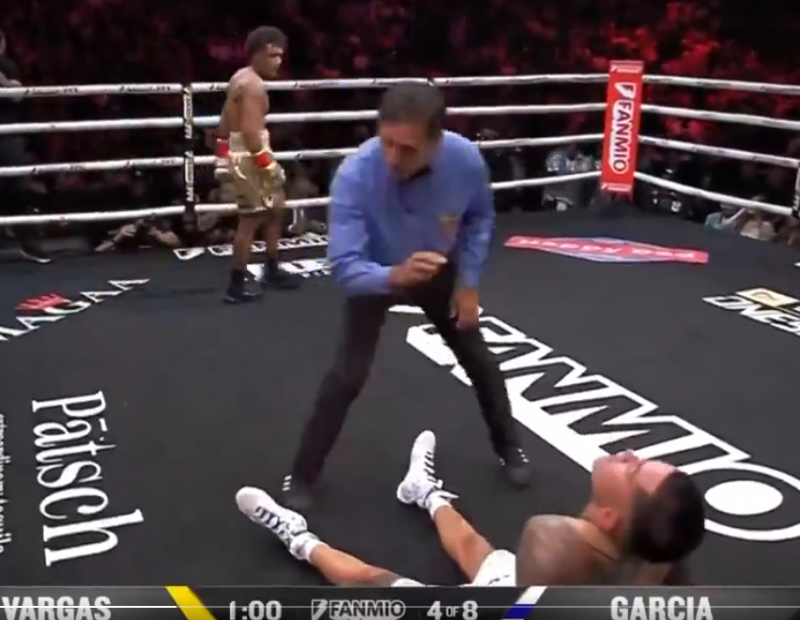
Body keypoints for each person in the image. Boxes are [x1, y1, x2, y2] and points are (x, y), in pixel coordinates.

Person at [282, 83, 530, 510]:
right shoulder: (355, 175)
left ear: (436, 141)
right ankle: (302, 473)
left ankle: (510, 447)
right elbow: (345, 266)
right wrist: (394, 275)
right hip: (376, 272)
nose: (394, 158)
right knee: (347, 375)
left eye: (408, 149)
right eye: (387, 143)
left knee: (479, 359)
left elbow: (479, 219)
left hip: (436, 269)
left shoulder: (465, 161)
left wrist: (468, 283)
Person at [238, 431, 705, 586]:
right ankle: (423, 490)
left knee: (369, 581)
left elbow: (540, 541)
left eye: (633, 470)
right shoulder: (648, 557)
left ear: (608, 517)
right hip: (524, 589)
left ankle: (297, 536)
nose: (628, 455)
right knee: (471, 546)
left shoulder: (558, 549)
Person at [215, 26, 300, 303]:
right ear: (256, 54)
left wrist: (222, 155)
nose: (278, 61)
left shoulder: (239, 77)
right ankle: (235, 285)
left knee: (276, 207)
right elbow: (251, 133)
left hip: (244, 153)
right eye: (272, 55)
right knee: (251, 219)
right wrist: (267, 165)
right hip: (252, 155)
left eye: (280, 55)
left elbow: (224, 122)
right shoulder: (253, 86)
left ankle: (271, 268)